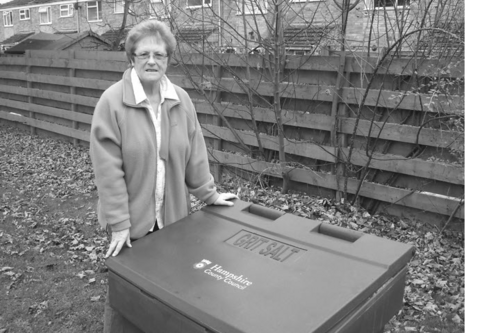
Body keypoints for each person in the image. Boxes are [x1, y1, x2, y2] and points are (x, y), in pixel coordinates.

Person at [89, 19, 237, 332]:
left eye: (159, 54)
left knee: (169, 291)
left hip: (172, 219)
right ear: (131, 58)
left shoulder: (180, 101)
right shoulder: (112, 102)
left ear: (168, 58)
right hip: (130, 222)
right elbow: (107, 169)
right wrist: (119, 224)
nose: (152, 61)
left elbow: (194, 154)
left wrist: (210, 194)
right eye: (143, 54)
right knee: (127, 298)